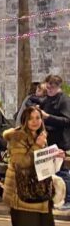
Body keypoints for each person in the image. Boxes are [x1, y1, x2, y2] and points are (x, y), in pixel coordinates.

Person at [3, 106, 64, 226]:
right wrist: (37, 146)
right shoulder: (18, 137)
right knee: (26, 222)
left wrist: (55, 155)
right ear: (24, 120)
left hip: (39, 187)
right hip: (22, 188)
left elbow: (41, 160)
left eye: (38, 118)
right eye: (31, 118)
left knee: (39, 221)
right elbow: (20, 163)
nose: (35, 121)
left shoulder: (41, 135)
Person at [38, 74, 70, 210]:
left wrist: (48, 117)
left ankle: (68, 199)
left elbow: (66, 120)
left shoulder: (64, 101)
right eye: (48, 87)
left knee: (62, 172)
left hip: (61, 141)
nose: (49, 90)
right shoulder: (46, 100)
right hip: (48, 141)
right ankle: (54, 197)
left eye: (52, 87)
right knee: (50, 172)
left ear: (58, 87)